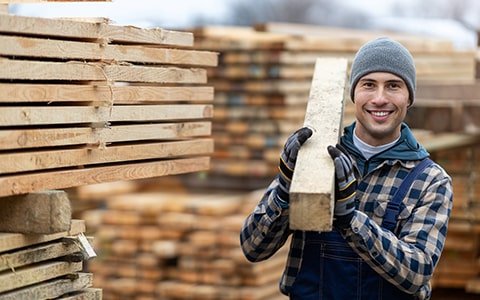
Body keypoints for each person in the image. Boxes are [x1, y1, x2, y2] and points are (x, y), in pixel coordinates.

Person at [240, 37, 453, 300]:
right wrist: (285, 191)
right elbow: (253, 248)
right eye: (368, 85)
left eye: (393, 86)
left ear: (409, 97)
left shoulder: (431, 180)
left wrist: (351, 220)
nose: (379, 98)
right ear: (353, 93)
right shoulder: (316, 158)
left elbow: (417, 271)